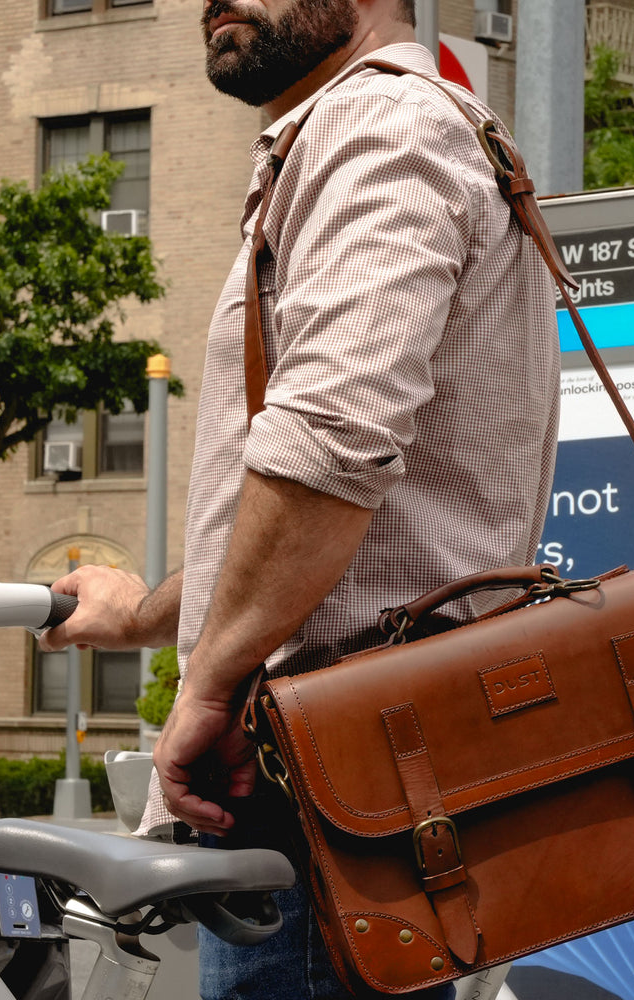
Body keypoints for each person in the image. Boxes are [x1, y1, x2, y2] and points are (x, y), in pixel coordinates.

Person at [40, 0, 559, 996]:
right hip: (337, 764)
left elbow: (330, 449)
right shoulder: (361, 134)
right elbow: (342, 520)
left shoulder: (379, 127)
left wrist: (207, 688)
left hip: (323, 779)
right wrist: (150, 613)